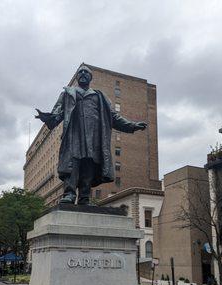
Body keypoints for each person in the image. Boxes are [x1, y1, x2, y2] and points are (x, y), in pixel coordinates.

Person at [35, 65, 147, 205]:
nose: (83, 74)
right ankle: (69, 194)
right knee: (72, 165)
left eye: (86, 72)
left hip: (93, 138)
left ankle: (84, 197)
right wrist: (48, 118)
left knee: (89, 166)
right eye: (80, 72)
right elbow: (57, 113)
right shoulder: (68, 93)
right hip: (74, 136)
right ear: (77, 77)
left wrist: (132, 125)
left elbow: (113, 117)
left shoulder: (99, 96)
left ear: (90, 77)